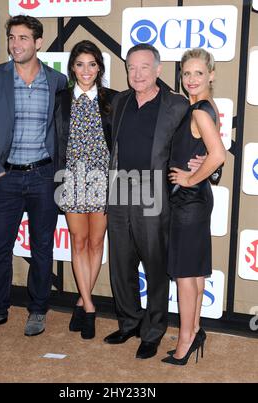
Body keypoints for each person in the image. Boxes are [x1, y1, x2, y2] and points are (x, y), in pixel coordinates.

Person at [0, 15, 67, 337]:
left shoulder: (57, 81)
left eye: (23, 38)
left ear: (38, 42)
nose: (16, 44)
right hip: (6, 178)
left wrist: (58, 172)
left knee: (42, 248)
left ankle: (37, 311)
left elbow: (62, 130)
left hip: (43, 175)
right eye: (12, 37)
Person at [104, 44, 194, 359]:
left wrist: (202, 167)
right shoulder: (120, 101)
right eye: (131, 67)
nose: (137, 74)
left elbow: (196, 142)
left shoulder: (176, 105)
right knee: (120, 263)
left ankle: (153, 331)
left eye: (144, 67)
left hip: (153, 193)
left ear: (157, 70)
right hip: (118, 192)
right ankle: (129, 321)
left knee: (155, 267)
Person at [161, 48, 226, 365]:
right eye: (186, 73)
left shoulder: (199, 110)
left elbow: (218, 156)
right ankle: (195, 329)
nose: (191, 79)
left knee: (186, 277)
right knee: (195, 274)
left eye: (199, 73)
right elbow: (211, 155)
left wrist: (189, 179)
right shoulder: (207, 107)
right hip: (196, 202)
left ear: (211, 75)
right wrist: (203, 173)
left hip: (188, 202)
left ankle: (185, 341)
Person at [54, 40, 118, 339]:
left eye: (92, 64)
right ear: (72, 68)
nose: (86, 70)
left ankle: (82, 301)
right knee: (78, 243)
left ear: (100, 68)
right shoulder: (61, 99)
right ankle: (89, 306)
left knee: (96, 243)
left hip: (103, 180)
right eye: (80, 64)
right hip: (71, 181)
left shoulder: (112, 100)